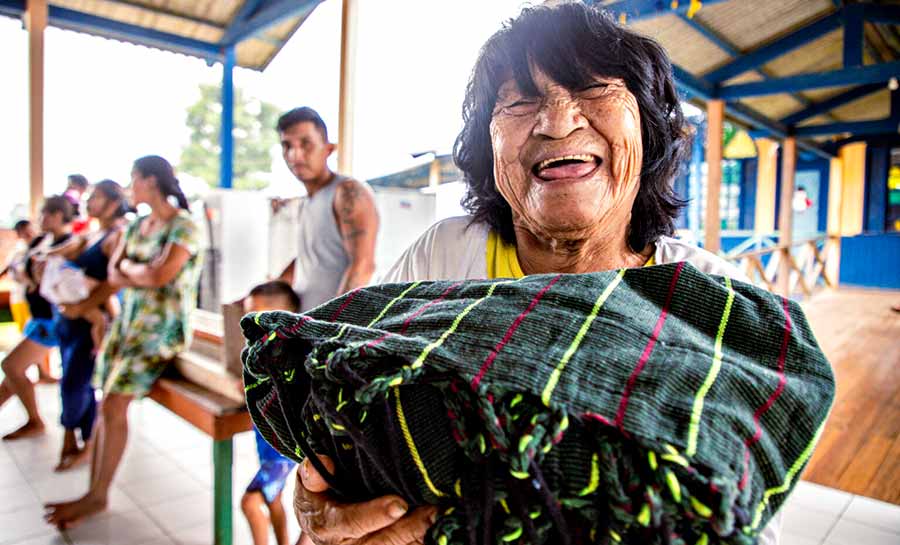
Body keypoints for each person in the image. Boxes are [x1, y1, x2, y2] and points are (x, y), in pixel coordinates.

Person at [291, 4, 782, 545]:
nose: (556, 121)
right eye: (520, 100)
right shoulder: (445, 256)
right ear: (489, 145)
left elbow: (743, 514)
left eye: (594, 89)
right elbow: (353, 419)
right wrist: (324, 498)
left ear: (647, 126)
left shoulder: (713, 298)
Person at [44, 155, 202, 528]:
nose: (130, 187)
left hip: (160, 330)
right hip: (129, 326)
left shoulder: (184, 227)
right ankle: (93, 490)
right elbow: (115, 273)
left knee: (114, 405)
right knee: (105, 404)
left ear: (151, 181)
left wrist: (134, 271)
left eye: (134, 179)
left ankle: (98, 495)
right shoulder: (137, 228)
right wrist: (132, 274)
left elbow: (162, 274)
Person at [52, 180, 130, 471]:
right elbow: (65, 253)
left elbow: (114, 282)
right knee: (72, 379)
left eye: (96, 197)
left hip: (89, 317)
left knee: (76, 382)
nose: (89, 201)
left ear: (112, 202)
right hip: (71, 318)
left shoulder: (116, 235)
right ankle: (83, 436)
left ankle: (74, 437)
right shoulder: (90, 233)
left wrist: (83, 308)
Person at [275, 107, 379, 312]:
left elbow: (363, 265)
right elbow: (311, 258)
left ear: (328, 149)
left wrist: (331, 328)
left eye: (306, 144)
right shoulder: (306, 201)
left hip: (334, 331)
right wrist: (267, 290)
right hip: (307, 325)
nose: (295, 155)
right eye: (287, 146)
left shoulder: (347, 192)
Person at [2, 196, 79, 440]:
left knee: (12, 366)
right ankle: (33, 420)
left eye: (45, 213)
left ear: (58, 215)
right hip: (38, 315)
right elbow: (23, 271)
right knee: (12, 375)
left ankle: (35, 421)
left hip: (52, 320)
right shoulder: (41, 241)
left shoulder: (70, 243)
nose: (40, 219)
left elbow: (54, 281)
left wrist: (35, 277)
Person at [241, 281, 303, 545]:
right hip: (267, 446)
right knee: (274, 500)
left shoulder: (289, 357)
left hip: (281, 452)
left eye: (259, 318)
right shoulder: (259, 354)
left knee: (251, 502)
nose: (251, 327)